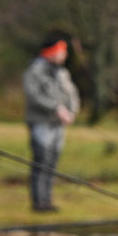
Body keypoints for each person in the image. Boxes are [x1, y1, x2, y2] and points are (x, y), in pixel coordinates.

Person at [23, 36, 80, 212]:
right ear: (52, 52)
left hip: (58, 125)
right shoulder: (34, 71)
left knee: (52, 163)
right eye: (61, 51)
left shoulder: (63, 73)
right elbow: (34, 97)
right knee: (41, 160)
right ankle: (38, 202)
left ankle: (47, 200)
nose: (64, 55)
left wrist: (71, 112)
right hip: (41, 123)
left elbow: (72, 94)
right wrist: (56, 109)